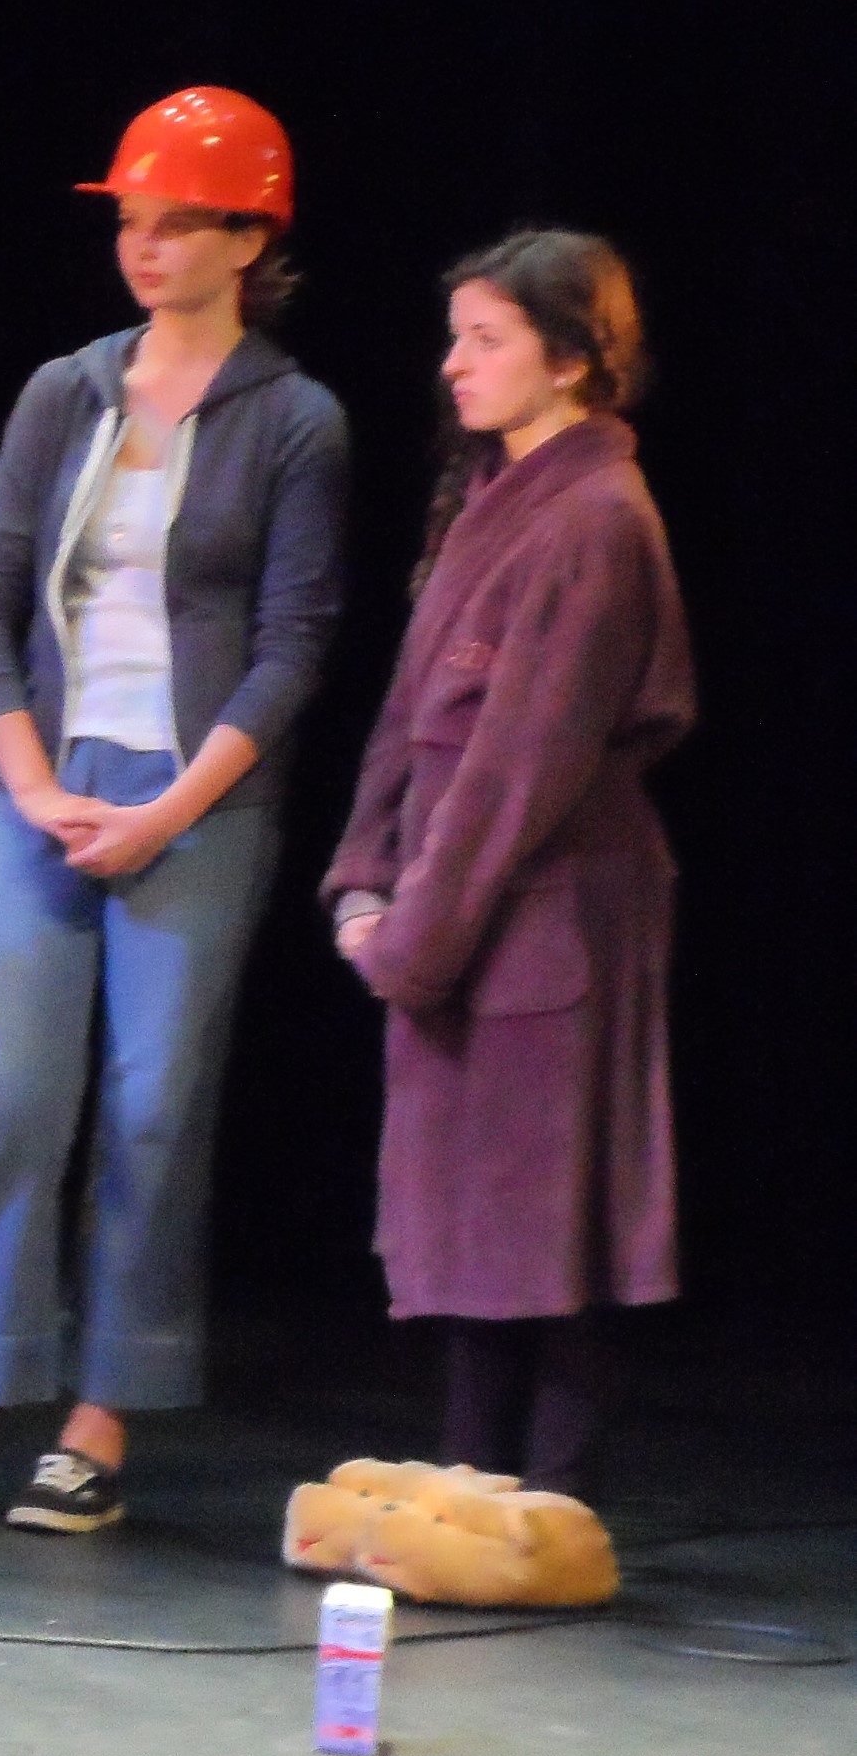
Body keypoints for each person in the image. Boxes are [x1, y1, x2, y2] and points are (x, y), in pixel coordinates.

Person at [0, 88, 348, 1534]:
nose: (143, 249)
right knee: (4, 1092)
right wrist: (29, 779)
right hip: (43, 783)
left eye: (175, 225)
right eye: (130, 224)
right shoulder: (65, 392)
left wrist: (167, 813)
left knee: (152, 1108)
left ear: (248, 238)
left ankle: (97, 1419)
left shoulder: (295, 422)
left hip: (197, 799)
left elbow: (293, 646)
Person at [321, 232, 691, 1497]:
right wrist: (365, 874)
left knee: (546, 1230)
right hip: (461, 904)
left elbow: (519, 765)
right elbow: (409, 717)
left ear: (571, 359)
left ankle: (548, 1513)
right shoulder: (492, 498)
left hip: (544, 912)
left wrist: (410, 939)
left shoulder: (597, 520)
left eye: (487, 340)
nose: (454, 364)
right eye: (455, 337)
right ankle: (474, 1494)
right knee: (473, 1235)